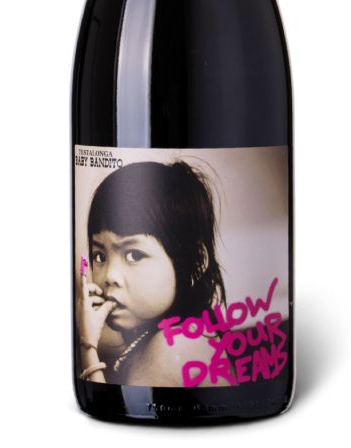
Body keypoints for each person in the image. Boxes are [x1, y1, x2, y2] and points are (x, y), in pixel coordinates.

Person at [75, 160, 233, 386]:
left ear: (196, 262)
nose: (109, 276)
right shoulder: (187, 330)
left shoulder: (171, 346)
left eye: (134, 255)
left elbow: (110, 406)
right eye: (100, 256)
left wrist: (87, 345)